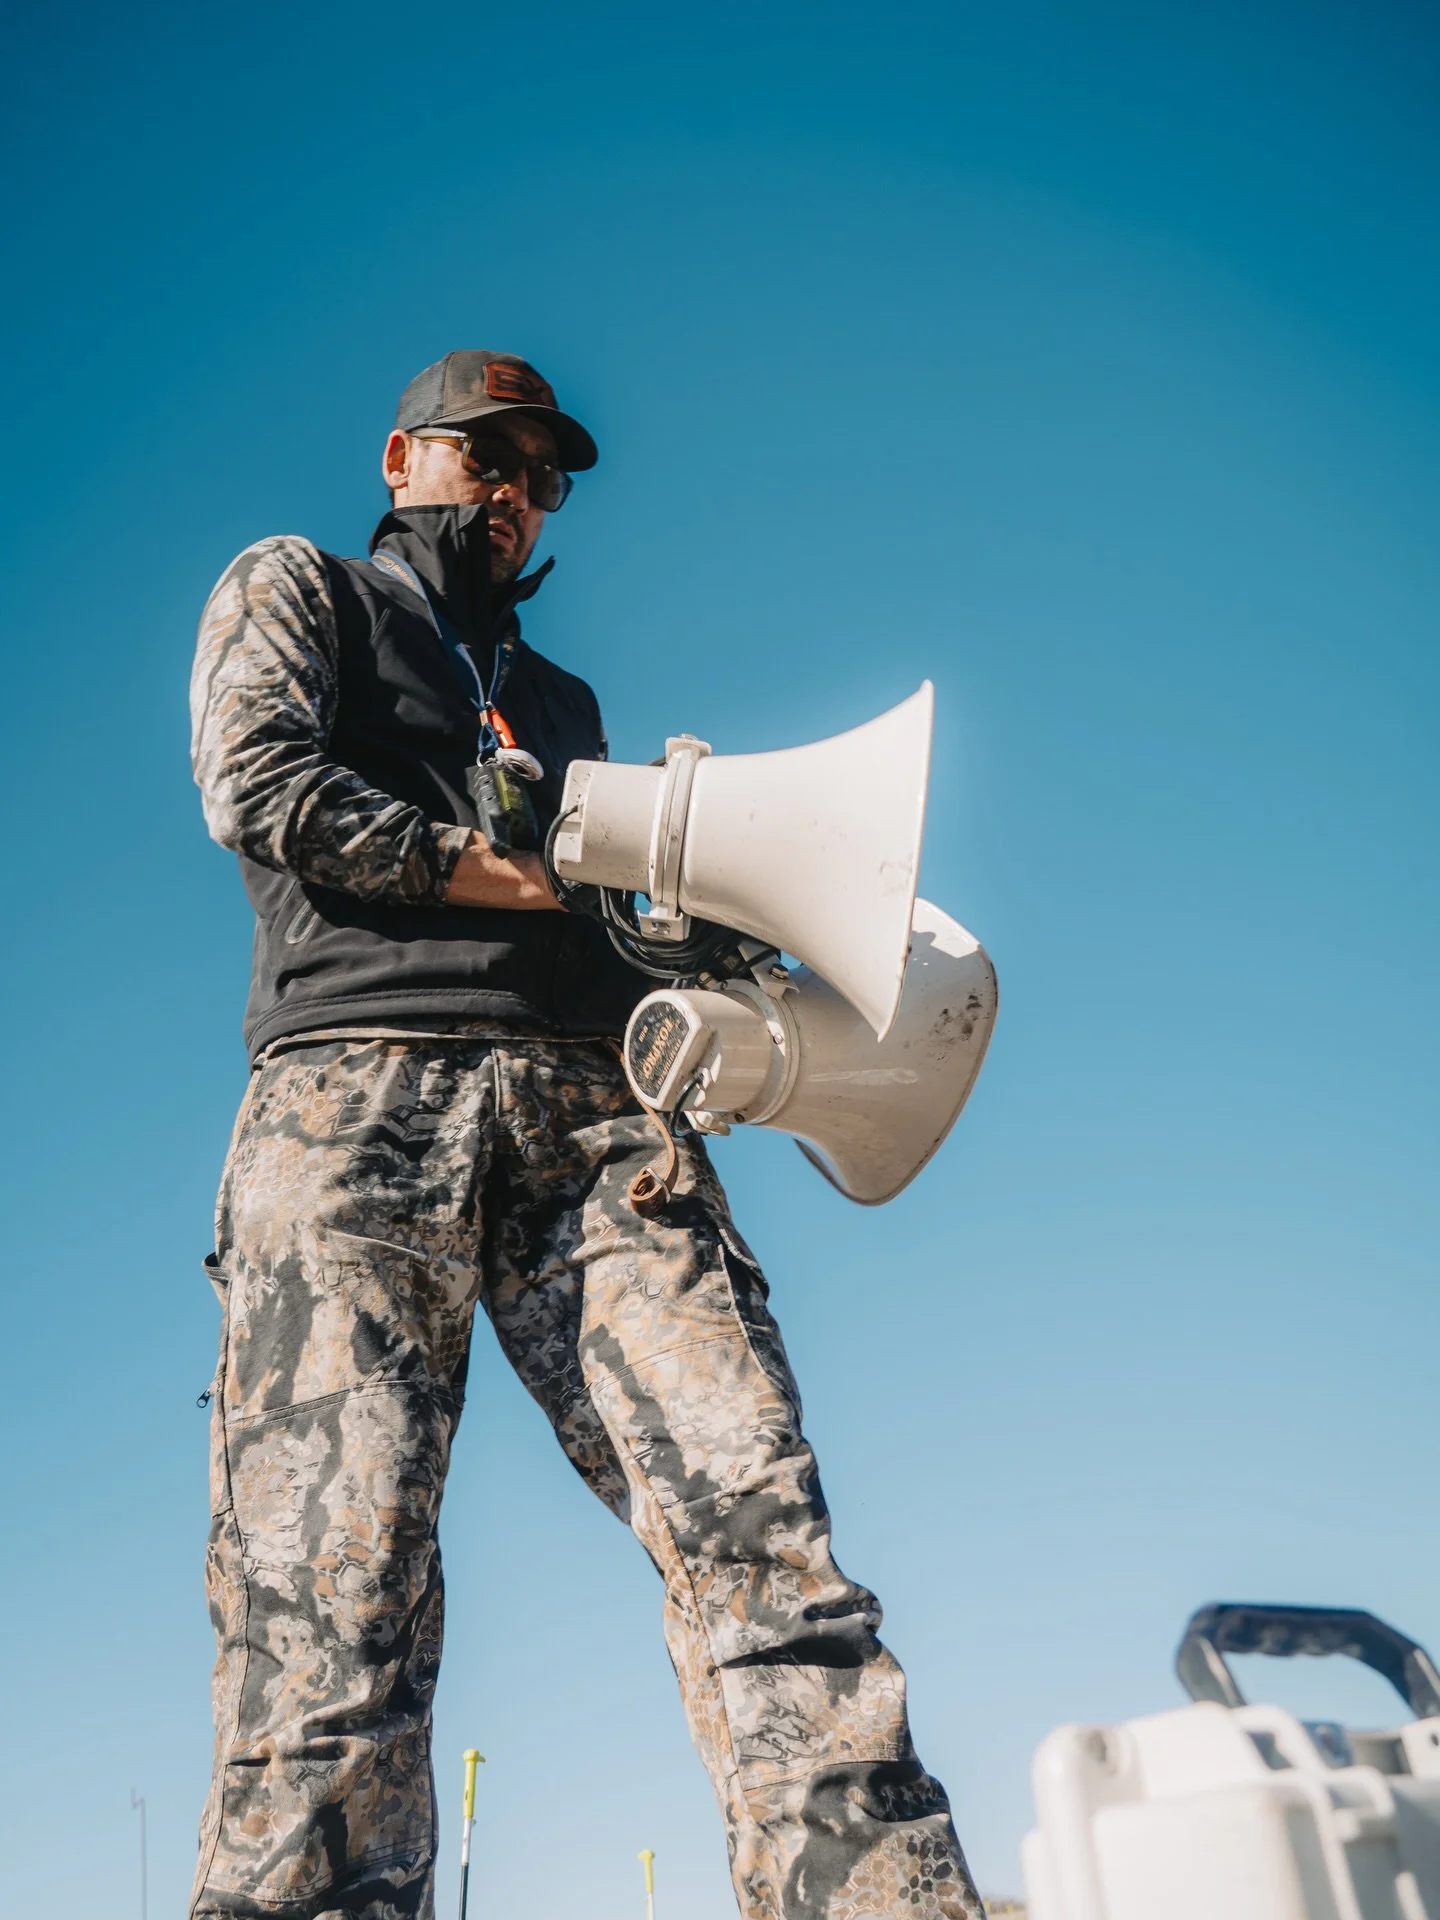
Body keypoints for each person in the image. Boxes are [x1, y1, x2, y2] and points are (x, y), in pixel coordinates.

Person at [188, 349, 984, 1920]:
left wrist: (710, 970)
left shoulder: (563, 707)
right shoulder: (303, 588)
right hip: (357, 1100)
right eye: (491, 457)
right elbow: (257, 779)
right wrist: (496, 868)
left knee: (763, 1544)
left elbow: (605, 925)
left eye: (544, 474)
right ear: (406, 457)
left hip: (592, 1122)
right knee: (331, 1606)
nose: (519, 493)